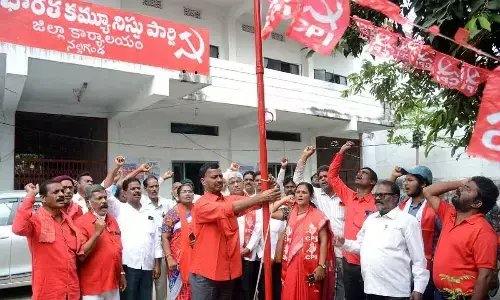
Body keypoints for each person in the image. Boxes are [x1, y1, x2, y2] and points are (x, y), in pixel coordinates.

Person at [189, 163, 281, 300]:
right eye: (214, 177)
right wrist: (260, 197)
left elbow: (258, 202)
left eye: (220, 176)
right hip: (206, 274)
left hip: (227, 273)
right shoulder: (201, 204)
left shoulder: (229, 199)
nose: (219, 179)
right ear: (203, 181)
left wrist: (271, 186)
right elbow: (228, 209)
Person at [337, 180, 429, 300]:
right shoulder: (370, 220)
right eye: (376, 195)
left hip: (396, 291)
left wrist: (418, 289)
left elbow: (418, 259)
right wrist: (344, 243)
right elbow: (361, 247)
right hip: (371, 288)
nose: (378, 198)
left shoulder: (407, 221)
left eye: (382, 195)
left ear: (395, 198)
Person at [423, 177, 499, 300]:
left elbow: (485, 277)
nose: (459, 189)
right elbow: (427, 191)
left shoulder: (483, 232)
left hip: (464, 297)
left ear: (477, 203)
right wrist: (461, 183)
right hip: (439, 294)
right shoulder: (449, 214)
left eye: (467, 189)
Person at [12, 181, 87, 299]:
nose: (61, 194)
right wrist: (30, 196)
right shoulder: (36, 220)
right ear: (43, 198)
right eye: (56, 192)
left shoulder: (69, 221)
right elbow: (18, 228)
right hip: (49, 292)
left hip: (72, 291)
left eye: (62, 191)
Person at [294, 146, 346, 300]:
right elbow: (298, 180)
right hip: (322, 251)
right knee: (324, 287)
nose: (323, 179)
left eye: (326, 175)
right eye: (320, 177)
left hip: (342, 251)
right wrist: (304, 156)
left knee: (341, 286)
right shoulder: (317, 195)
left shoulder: (346, 196)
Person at [328, 141, 378, 300]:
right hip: (349, 261)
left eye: (364, 173)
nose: (359, 173)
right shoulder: (350, 197)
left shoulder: (378, 203)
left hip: (370, 262)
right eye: (359, 172)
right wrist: (341, 152)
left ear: (372, 182)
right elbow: (332, 177)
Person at [270, 182, 335, 300]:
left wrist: (321, 266)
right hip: (290, 263)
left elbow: (324, 242)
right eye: (297, 192)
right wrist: (285, 199)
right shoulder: (289, 212)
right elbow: (272, 212)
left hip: (310, 264)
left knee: (310, 293)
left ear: (310, 196)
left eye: (304, 192)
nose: (300, 195)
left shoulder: (318, 216)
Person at [106, 177, 163, 300]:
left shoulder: (150, 211)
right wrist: (116, 171)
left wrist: (157, 264)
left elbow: (156, 240)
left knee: (145, 297)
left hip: (147, 265)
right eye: (132, 189)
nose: (137, 191)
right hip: (127, 264)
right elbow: (106, 192)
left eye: (138, 188)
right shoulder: (119, 209)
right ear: (125, 193)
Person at [389, 166, 441, 300]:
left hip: (425, 268)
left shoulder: (437, 208)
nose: (405, 184)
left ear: (423, 184)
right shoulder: (402, 203)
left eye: (410, 180)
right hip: (400, 266)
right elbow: (386, 194)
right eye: (405, 180)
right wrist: (394, 176)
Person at [76, 184, 127, 300]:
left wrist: (122, 273)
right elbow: (81, 256)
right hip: (92, 286)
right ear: (88, 203)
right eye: (99, 198)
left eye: (105, 197)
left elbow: (117, 251)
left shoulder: (112, 220)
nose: (104, 201)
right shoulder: (80, 223)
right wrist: (97, 233)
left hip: (112, 282)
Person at [226, 170, 263, 300]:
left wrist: (248, 248)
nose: (236, 185)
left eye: (238, 182)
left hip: (249, 254)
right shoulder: (224, 202)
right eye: (232, 182)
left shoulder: (253, 201)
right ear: (227, 186)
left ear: (243, 184)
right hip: (229, 254)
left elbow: (259, 227)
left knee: (247, 289)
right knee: (230, 290)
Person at [142, 175, 175, 300]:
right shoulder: (142, 204)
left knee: (161, 287)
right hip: (147, 251)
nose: (154, 189)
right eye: (151, 187)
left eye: (156, 186)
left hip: (164, 250)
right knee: (146, 288)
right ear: (145, 189)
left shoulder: (167, 203)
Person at [162, 182, 196, 300]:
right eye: (184, 191)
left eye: (190, 191)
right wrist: (169, 257)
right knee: (180, 293)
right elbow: (165, 237)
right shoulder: (172, 213)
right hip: (177, 261)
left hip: (198, 259)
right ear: (178, 195)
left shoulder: (200, 210)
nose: (187, 194)